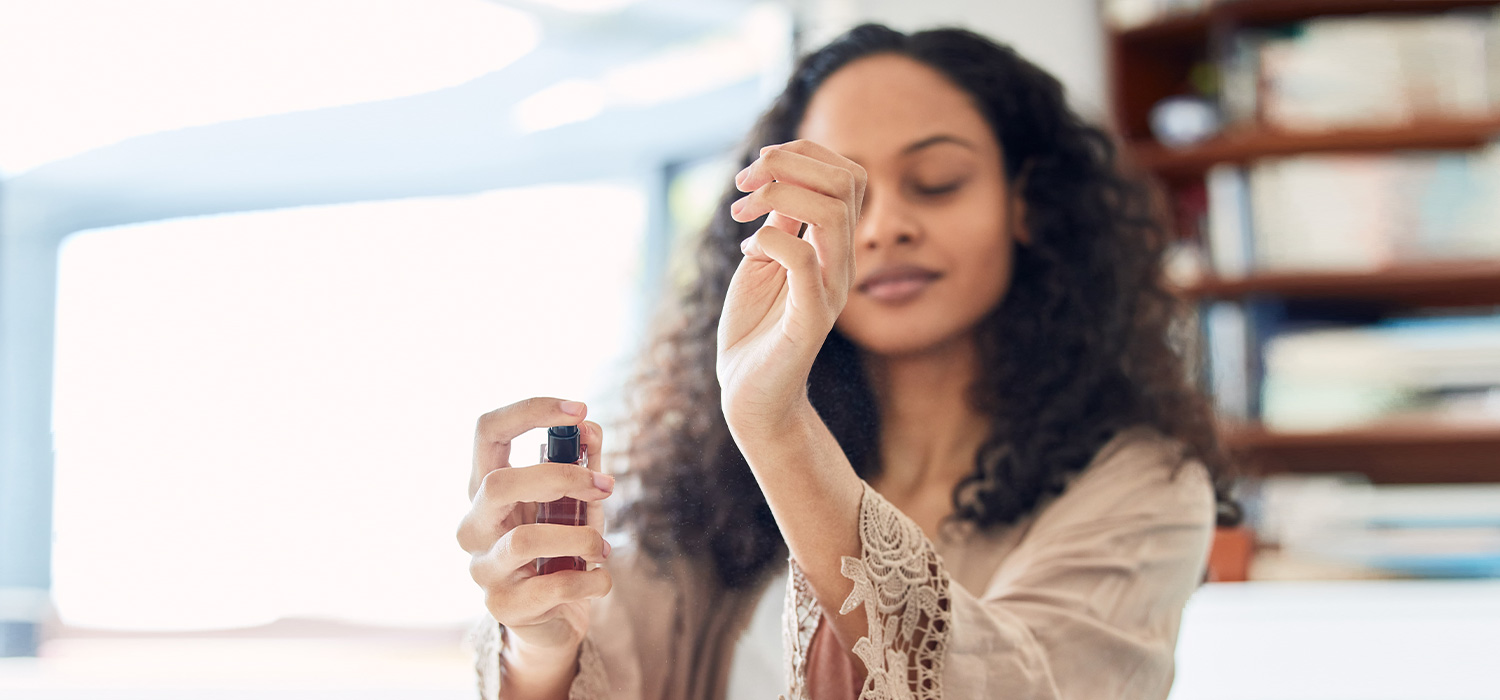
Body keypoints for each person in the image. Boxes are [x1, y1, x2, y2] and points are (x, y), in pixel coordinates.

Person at [456, 23, 1239, 700]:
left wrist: (776, 422)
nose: (885, 226)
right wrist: (543, 641)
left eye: (937, 183)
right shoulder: (717, 487)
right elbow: (609, 668)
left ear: (1026, 204)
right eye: (848, 196)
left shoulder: (1141, 485)